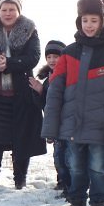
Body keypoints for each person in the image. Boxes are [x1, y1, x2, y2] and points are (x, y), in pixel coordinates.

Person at [41, 0, 104, 206]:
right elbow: (54, 94)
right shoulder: (69, 54)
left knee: (99, 169)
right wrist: (51, 128)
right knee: (76, 168)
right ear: (79, 22)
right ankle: (77, 205)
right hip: (71, 127)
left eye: (94, 20)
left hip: (100, 129)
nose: (89, 25)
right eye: (85, 20)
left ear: (103, 22)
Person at [0, 0, 46, 190]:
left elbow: (34, 56)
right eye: (4, 10)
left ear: (18, 11)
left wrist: (11, 63)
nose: (8, 13)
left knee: (21, 138)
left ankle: (20, 177)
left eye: (12, 9)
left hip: (21, 94)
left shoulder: (29, 29)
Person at [29, 39, 69, 197]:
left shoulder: (68, 75)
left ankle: (69, 185)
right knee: (58, 155)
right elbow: (45, 105)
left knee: (68, 156)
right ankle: (62, 182)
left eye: (56, 56)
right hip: (54, 125)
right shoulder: (47, 79)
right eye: (49, 57)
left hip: (68, 123)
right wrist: (39, 91)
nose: (52, 60)